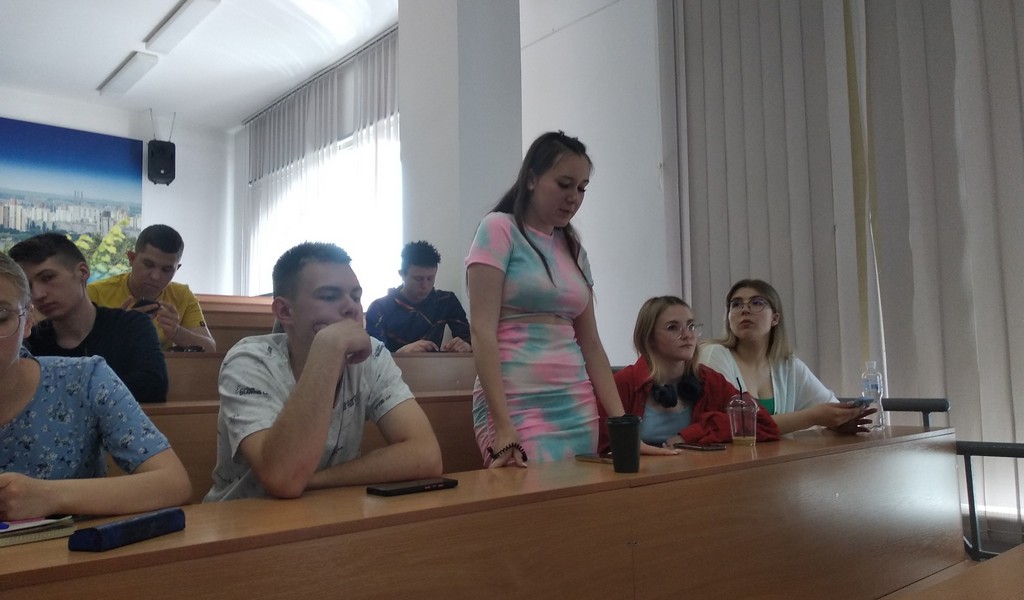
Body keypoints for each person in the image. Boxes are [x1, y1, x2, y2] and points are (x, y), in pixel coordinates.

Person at [466, 131, 676, 467]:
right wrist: (503, 425)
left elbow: (591, 344)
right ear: (531, 179)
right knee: (528, 493)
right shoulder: (498, 229)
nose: (573, 198)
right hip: (515, 400)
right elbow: (482, 332)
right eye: (564, 184)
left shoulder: (574, 250)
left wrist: (623, 429)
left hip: (574, 402)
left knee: (579, 493)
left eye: (581, 188)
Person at [204, 242, 442, 501]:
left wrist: (313, 481)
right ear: (285, 311)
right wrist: (328, 349)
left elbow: (426, 455)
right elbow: (284, 478)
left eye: (356, 296)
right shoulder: (249, 361)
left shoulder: (372, 356)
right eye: (329, 296)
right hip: (242, 518)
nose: (351, 307)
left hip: (327, 510)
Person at [0, 252, 191, 520]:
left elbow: (172, 483)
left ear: (28, 320)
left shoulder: (84, 379)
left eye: (0, 315)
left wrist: (49, 496)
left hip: (71, 544)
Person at [598, 296, 779, 452]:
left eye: (691, 326)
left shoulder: (708, 380)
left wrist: (693, 434)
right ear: (649, 338)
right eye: (673, 327)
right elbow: (599, 449)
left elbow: (764, 424)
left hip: (695, 474)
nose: (688, 335)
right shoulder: (623, 383)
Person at [9, 233, 169, 403]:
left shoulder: (131, 326)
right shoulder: (29, 341)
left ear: (83, 273)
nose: (37, 294)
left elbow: (153, 387)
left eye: (48, 277)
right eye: (28, 286)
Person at [698, 279, 872, 434]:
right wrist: (812, 417)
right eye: (736, 305)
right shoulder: (713, 354)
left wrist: (839, 422)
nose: (744, 310)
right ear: (728, 319)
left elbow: (828, 405)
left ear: (775, 318)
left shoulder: (788, 365)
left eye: (756, 303)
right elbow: (738, 426)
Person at [87, 224, 216, 352]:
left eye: (166, 269)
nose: (155, 276)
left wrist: (176, 332)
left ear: (177, 269)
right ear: (131, 258)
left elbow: (210, 349)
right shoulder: (95, 293)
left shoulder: (182, 296)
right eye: (148, 265)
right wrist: (118, 332)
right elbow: (79, 350)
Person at [365, 240, 472, 353]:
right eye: (418, 279)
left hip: (433, 364)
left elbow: (469, 338)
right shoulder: (379, 308)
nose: (425, 285)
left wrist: (466, 345)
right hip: (393, 364)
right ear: (402, 274)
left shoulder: (446, 301)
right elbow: (375, 356)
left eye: (430, 278)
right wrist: (401, 353)